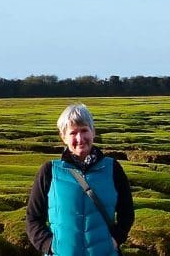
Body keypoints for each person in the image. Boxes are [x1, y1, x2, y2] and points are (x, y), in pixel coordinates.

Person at [26, 103, 134, 256]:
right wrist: (49, 245)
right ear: (63, 137)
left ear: (93, 132)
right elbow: (33, 217)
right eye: (73, 133)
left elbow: (127, 212)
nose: (80, 138)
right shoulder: (49, 171)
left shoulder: (112, 168)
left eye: (84, 130)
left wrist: (116, 240)